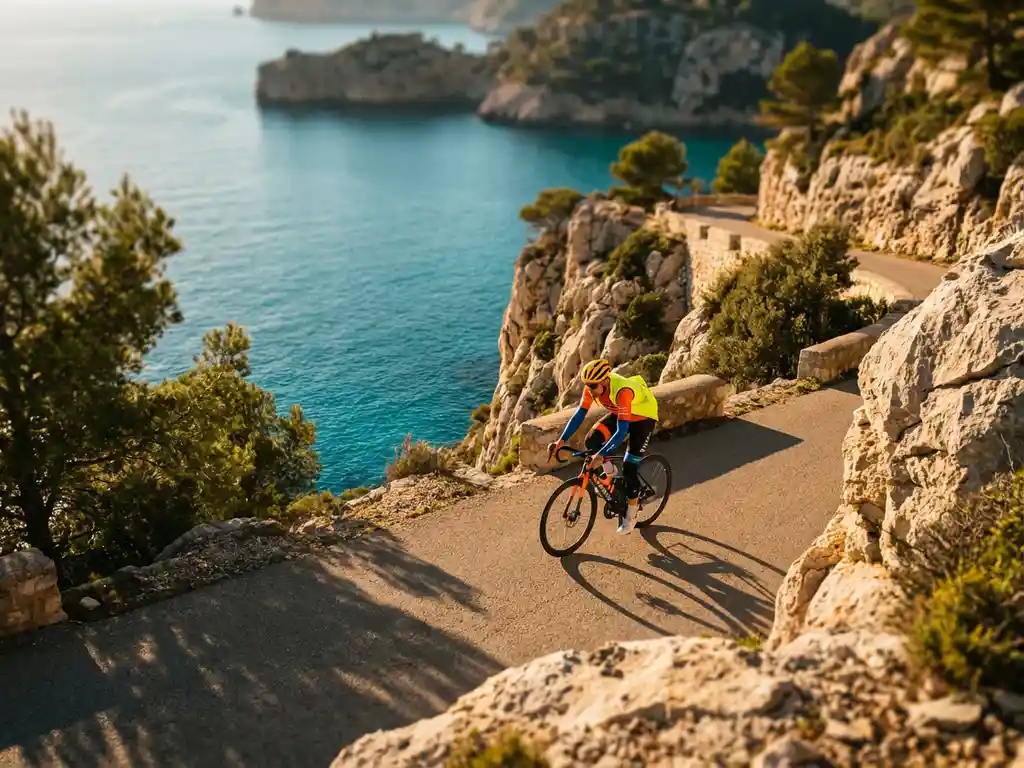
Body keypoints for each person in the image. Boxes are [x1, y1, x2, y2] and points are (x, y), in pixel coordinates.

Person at [547, 358, 659, 534]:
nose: (589, 390)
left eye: (593, 386)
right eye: (587, 385)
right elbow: (579, 415)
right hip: (622, 413)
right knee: (592, 441)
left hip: (643, 419)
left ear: (605, 380)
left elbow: (622, 432)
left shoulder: (622, 392)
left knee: (629, 467)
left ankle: (631, 515)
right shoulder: (591, 389)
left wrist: (600, 455)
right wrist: (560, 441)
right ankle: (611, 475)